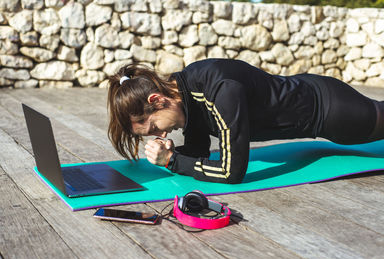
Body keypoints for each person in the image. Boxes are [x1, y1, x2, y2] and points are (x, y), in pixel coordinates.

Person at [107, 58, 384, 184]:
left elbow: (231, 172)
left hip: (331, 111)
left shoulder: (220, 90)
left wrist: (172, 161)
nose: (163, 133)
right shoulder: (187, 95)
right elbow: (198, 152)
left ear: (157, 100)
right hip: (313, 95)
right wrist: (171, 155)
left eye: (155, 127)